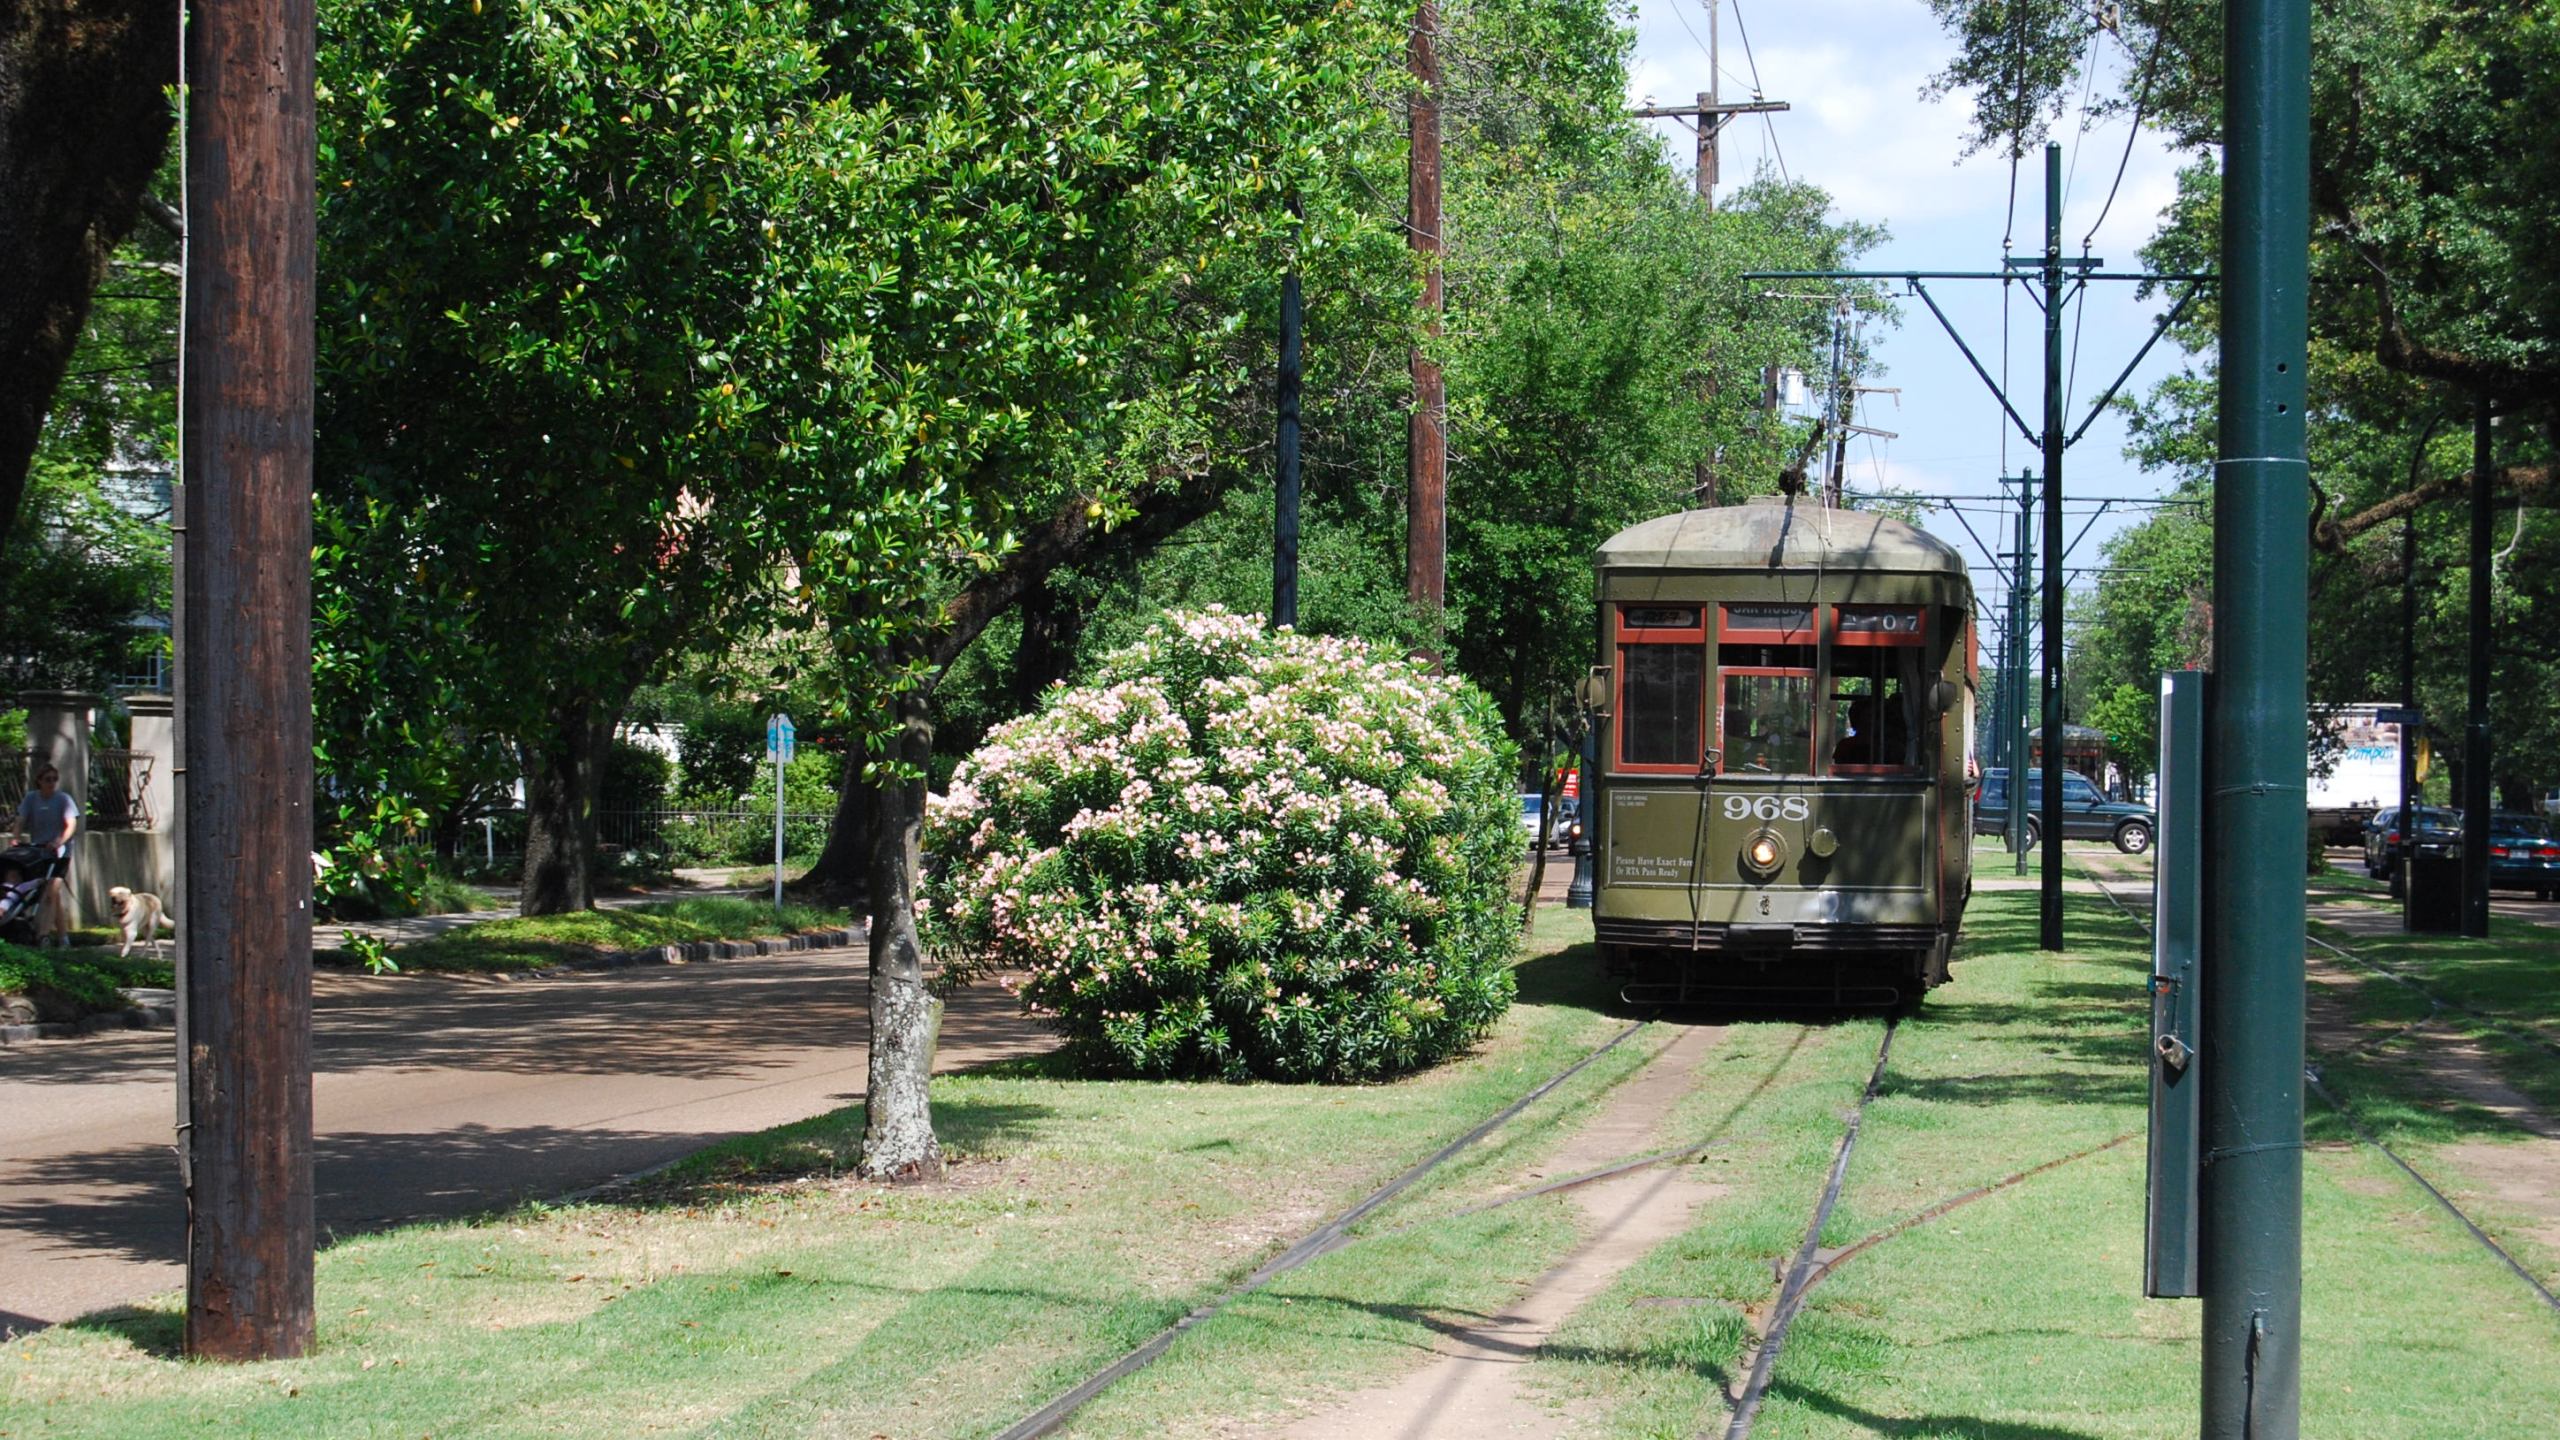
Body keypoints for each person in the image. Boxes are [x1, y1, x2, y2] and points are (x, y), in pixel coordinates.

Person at [10, 763, 77, 947]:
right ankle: (64, 938)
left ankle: (43, 935)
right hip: (39, 851)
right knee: (51, 895)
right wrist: (15, 838)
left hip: (60, 853)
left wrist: (59, 841)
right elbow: (20, 819)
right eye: (48, 779)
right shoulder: (32, 798)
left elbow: (71, 824)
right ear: (39, 781)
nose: (52, 783)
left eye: (55, 779)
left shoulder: (63, 799)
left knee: (50, 893)